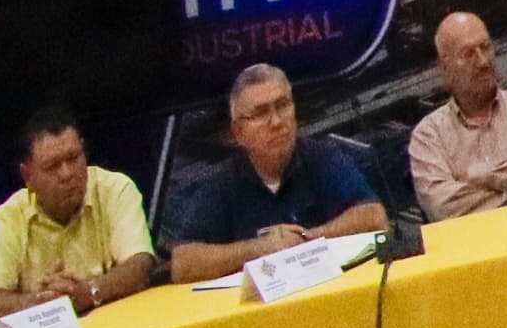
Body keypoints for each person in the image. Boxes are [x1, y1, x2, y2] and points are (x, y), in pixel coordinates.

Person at [163, 66, 387, 284]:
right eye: (261, 113)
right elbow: (184, 264)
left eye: (282, 105)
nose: (277, 121)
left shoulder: (323, 157)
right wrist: (262, 248)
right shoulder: (222, 183)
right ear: (238, 133)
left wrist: (304, 241)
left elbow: (374, 217)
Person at [0, 106, 158, 324]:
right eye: (52, 166)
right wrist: (42, 303)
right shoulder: (9, 217)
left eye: (73, 158)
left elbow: (141, 266)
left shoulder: (116, 189)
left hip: (119, 327)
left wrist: (89, 292)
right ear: (28, 175)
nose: (67, 173)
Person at [403, 11, 507, 222]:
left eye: (485, 47)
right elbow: (442, 206)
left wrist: (483, 177)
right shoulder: (428, 136)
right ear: (445, 67)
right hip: (476, 241)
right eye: (468, 53)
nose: (483, 61)